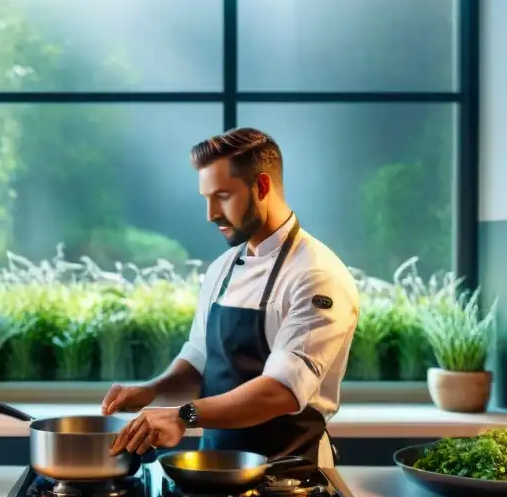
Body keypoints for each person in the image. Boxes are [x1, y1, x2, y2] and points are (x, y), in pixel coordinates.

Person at [103, 128, 360, 468]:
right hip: (216, 471)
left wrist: (183, 415)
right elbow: (199, 361)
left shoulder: (316, 276)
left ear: (263, 187)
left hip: (290, 476)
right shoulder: (223, 268)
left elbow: (280, 392)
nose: (210, 213)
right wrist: (152, 390)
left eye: (222, 196)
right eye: (206, 197)